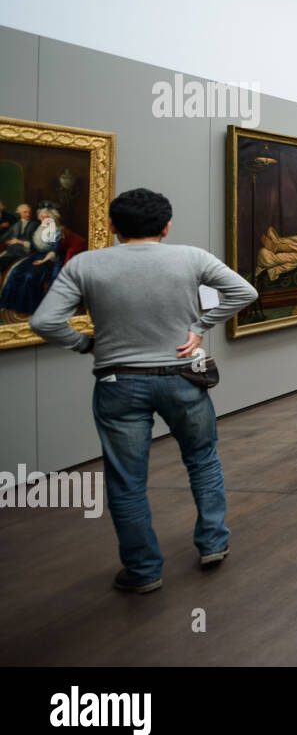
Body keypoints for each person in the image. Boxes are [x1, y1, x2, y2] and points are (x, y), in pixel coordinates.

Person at [28, 188, 257, 594]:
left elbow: (45, 322)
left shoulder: (86, 264)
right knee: (202, 460)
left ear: (113, 227)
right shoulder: (191, 257)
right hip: (183, 377)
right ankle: (213, 544)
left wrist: (85, 344)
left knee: (126, 480)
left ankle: (144, 570)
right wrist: (199, 328)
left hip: (118, 381)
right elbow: (245, 292)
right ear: (166, 226)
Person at [0, 202, 37, 274]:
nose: (28, 214)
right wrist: (6, 241)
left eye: (29, 212)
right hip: (12, 251)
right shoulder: (15, 225)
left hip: (25, 252)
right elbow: (4, 237)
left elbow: (35, 243)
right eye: (25, 212)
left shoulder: (35, 224)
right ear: (20, 213)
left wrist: (18, 241)